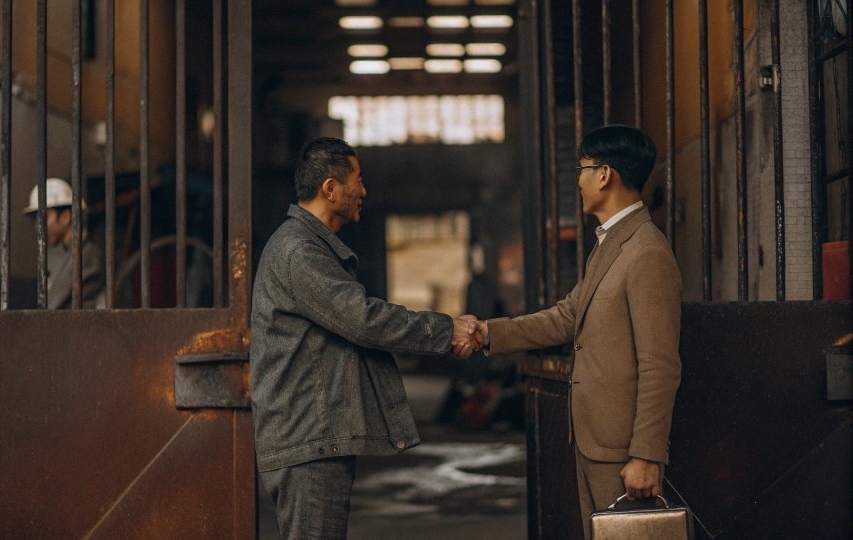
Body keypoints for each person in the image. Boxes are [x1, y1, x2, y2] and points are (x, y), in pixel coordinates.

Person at [459, 125, 682, 539]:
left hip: (622, 451)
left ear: (604, 174)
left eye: (581, 169)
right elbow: (565, 317)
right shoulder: (611, 245)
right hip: (596, 443)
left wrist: (647, 455)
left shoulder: (647, 252)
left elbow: (661, 365)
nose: (577, 181)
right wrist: (488, 332)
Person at [250, 137, 475, 539]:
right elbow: (363, 319)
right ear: (330, 189)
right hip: (308, 441)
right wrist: (445, 329)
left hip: (312, 439)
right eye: (358, 179)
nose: (364, 191)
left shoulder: (305, 246)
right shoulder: (299, 251)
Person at [23, 177, 105, 309]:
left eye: (44, 217)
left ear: (65, 217)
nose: (39, 226)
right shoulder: (68, 256)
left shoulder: (88, 255)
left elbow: (51, 308)